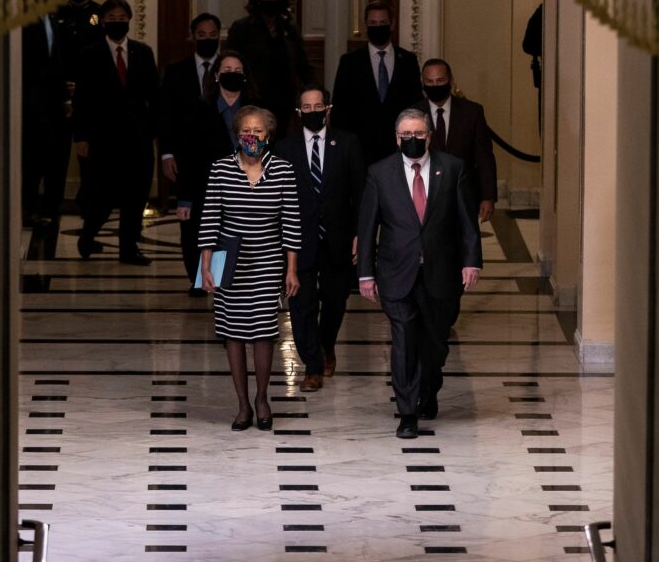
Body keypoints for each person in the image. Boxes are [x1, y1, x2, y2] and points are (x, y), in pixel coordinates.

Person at [356, 108, 482, 438]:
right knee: (404, 342)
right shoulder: (379, 173)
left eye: (419, 134)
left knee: (434, 345)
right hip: (396, 274)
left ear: (429, 136)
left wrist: (472, 262)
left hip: (441, 273)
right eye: (406, 135)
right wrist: (366, 274)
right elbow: (368, 228)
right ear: (397, 138)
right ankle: (407, 411)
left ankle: (429, 390)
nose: (412, 140)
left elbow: (467, 223)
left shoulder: (452, 169)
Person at [199, 106, 301, 431]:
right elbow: (210, 219)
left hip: (268, 262)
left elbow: (292, 225)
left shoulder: (283, 171)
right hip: (230, 263)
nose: (252, 136)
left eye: (258, 131)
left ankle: (261, 398)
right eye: (247, 130)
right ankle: (242, 404)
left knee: (263, 333)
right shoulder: (221, 169)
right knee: (232, 333)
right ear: (237, 133)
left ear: (267, 135)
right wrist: (205, 267)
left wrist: (291, 269)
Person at [273, 84, 366, 391]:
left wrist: (359, 235)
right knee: (301, 305)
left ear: (328, 109)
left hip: (338, 239)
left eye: (318, 107)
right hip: (299, 242)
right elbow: (280, 199)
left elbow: (360, 195)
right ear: (299, 113)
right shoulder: (285, 149)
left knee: (336, 301)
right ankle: (312, 366)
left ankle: (326, 345)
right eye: (306, 108)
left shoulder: (349, 143)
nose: (313, 113)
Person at [72, 0, 161, 265]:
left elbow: (154, 95)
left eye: (122, 17)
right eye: (111, 17)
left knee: (136, 195)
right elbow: (82, 100)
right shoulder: (90, 54)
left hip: (138, 137)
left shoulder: (143, 52)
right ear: (103, 21)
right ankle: (88, 235)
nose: (117, 21)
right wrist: (81, 137)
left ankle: (128, 248)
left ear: (130, 20)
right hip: (103, 138)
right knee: (103, 195)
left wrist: (154, 130)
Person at [169, 50, 258, 295]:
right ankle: (202, 279)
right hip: (205, 189)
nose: (232, 76)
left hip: (246, 189)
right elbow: (187, 156)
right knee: (199, 237)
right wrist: (184, 198)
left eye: (238, 72)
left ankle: (233, 283)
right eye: (227, 71)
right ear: (217, 75)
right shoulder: (198, 110)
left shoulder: (255, 112)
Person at [331, 0, 422, 165]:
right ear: (365, 25)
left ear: (392, 24)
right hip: (360, 151)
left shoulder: (408, 61)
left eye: (383, 23)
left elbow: (416, 105)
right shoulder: (349, 62)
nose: (378, 27)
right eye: (373, 23)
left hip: (400, 149)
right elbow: (340, 109)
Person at [225, 0, 314, 138]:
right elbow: (231, 61)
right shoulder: (243, 28)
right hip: (253, 99)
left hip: (284, 99)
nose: (272, 0)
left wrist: (311, 90)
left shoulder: (289, 28)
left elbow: (301, 63)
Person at [414, 58, 498, 224]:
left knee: (466, 246)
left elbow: (484, 157)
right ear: (423, 83)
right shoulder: (413, 114)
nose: (435, 86)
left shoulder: (472, 112)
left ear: (451, 80)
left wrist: (488, 196)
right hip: (425, 196)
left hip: (464, 195)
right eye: (429, 81)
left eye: (440, 80)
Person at [20, 0, 70, 228]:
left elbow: (56, 60)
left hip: (52, 102)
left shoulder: (52, 15)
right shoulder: (20, 16)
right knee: (31, 160)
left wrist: (64, 98)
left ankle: (50, 209)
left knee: (55, 157)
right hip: (28, 102)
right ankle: (27, 209)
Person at [54, 0, 102, 214]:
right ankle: (53, 199)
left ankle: (89, 198)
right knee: (59, 149)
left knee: (89, 150)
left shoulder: (101, 14)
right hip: (61, 92)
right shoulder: (56, 13)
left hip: (90, 93)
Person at [159, 12, 223, 185]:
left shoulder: (232, 69)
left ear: (219, 36)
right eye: (202, 35)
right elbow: (166, 116)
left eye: (213, 35)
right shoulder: (175, 72)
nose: (207, 39)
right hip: (186, 155)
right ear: (193, 37)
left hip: (225, 155)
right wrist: (167, 154)